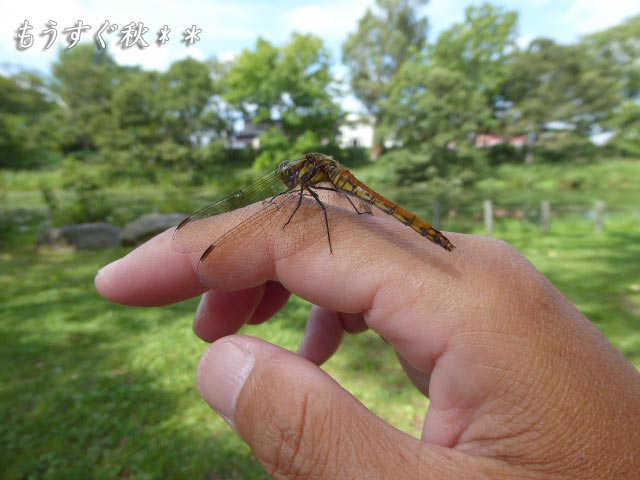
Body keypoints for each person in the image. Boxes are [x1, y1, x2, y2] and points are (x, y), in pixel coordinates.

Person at [95, 205, 640, 479]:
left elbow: (316, 212)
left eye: (294, 175)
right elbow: (309, 208)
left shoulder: (317, 193)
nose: (288, 180)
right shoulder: (309, 191)